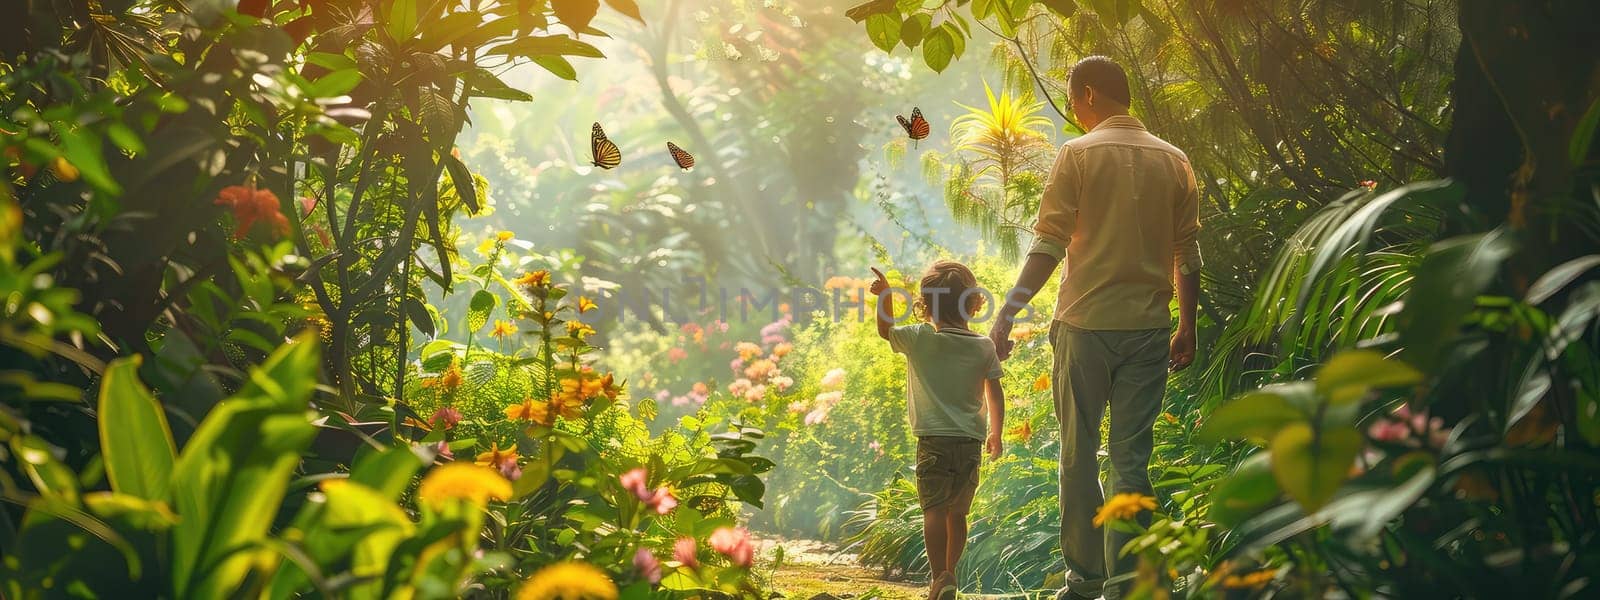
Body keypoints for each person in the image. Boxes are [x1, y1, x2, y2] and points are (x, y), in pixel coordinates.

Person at [986, 56, 1202, 600]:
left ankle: (1085, 582)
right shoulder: (1176, 161)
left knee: (1079, 455)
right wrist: (1188, 327)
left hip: (1084, 326)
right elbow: (1188, 253)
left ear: (1087, 94)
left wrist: (1007, 312)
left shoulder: (1077, 154)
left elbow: (1049, 244)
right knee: (1132, 458)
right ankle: (1128, 586)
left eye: (1073, 100)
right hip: (1150, 328)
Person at [869, 261, 1005, 600]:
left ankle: (937, 578)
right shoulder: (984, 345)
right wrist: (997, 434)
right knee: (958, 513)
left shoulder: (920, 338)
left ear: (926, 305)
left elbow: (886, 330)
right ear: (974, 303)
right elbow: (996, 393)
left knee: (934, 510)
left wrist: (885, 296)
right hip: (970, 442)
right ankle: (951, 573)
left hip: (933, 441)